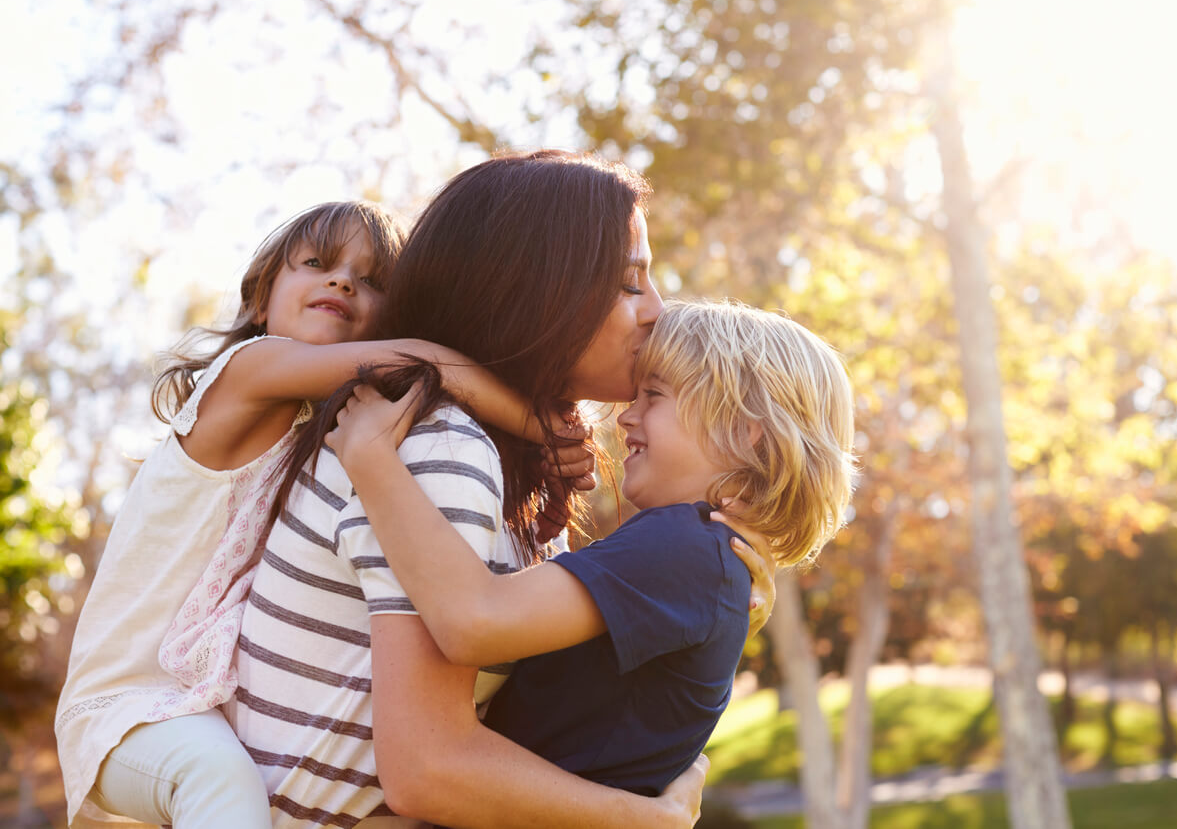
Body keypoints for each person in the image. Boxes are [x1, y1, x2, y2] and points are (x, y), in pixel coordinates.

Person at [228, 151, 772, 828]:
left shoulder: (485, 459)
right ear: (539, 288)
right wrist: (645, 820)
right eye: (631, 281)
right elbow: (430, 770)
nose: (656, 310)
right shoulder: (440, 449)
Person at [53, 200, 576, 829]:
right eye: (317, 264)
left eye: (372, 280)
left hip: (200, 701)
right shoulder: (247, 370)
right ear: (260, 303)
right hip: (125, 706)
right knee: (217, 780)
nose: (343, 282)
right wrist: (542, 431)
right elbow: (421, 363)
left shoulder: (325, 430)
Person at [329, 298, 857, 797]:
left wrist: (371, 458)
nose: (627, 415)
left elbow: (473, 620)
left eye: (655, 395)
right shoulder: (706, 557)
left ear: (746, 434)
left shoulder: (684, 545)